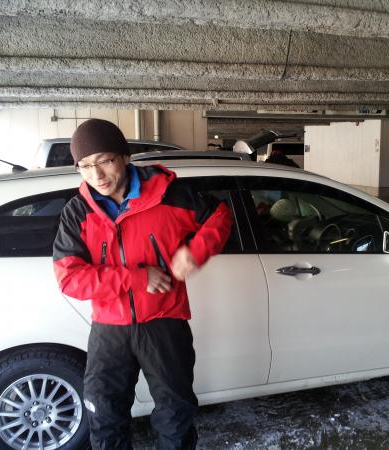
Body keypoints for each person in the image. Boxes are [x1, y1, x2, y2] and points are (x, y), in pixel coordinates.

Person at [52, 119, 232, 450]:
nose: (97, 175)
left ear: (124, 157)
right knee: (103, 414)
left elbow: (219, 215)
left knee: (175, 413)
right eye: (85, 166)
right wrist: (138, 277)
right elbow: (70, 279)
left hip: (165, 320)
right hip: (109, 329)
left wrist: (196, 251)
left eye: (105, 161)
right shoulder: (77, 212)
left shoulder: (169, 194)